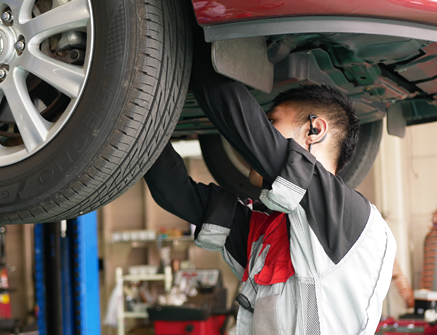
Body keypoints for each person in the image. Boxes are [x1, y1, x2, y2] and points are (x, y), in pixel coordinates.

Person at [144, 29, 396, 334]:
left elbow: (246, 130)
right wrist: (139, 111)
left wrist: (180, 31)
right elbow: (174, 192)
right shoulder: (266, 233)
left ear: (314, 130)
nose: (252, 143)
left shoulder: (353, 221)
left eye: (270, 122)